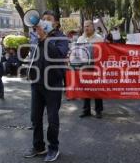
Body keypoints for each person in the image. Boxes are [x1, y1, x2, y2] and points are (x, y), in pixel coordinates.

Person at [24, 10, 69, 162]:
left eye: (49, 19)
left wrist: (45, 39)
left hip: (53, 84)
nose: (44, 21)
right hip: (36, 83)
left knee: (52, 119)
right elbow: (32, 56)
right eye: (43, 19)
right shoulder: (34, 35)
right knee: (35, 118)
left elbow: (58, 55)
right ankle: (38, 147)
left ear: (55, 23)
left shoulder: (61, 38)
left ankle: (53, 148)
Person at [77, 20, 104, 119]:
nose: (86, 28)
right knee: (85, 88)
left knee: (97, 89)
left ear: (93, 27)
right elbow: (77, 52)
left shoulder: (99, 39)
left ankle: (98, 110)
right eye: (84, 26)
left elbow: (103, 53)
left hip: (96, 67)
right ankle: (86, 110)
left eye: (88, 26)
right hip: (84, 67)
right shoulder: (80, 39)